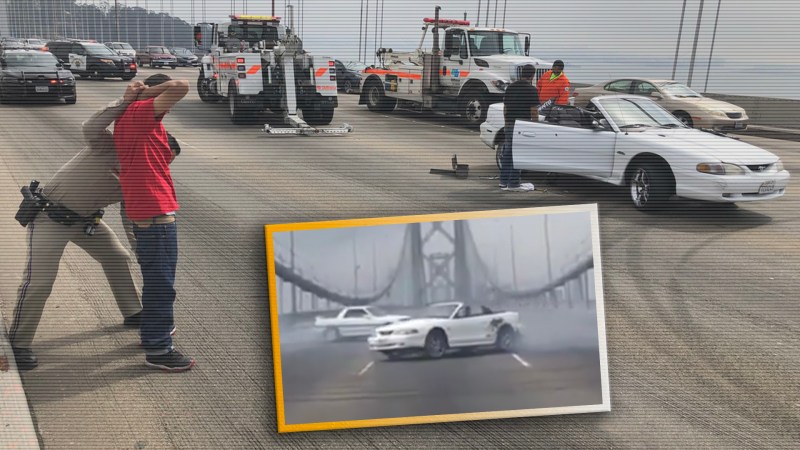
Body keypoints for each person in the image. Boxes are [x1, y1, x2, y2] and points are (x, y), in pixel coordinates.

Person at [9, 82, 166, 371]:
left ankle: (133, 313)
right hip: (49, 218)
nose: (163, 158)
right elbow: (91, 125)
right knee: (40, 281)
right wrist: (125, 100)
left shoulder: (143, 173)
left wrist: (143, 250)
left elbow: (131, 217)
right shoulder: (109, 144)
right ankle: (18, 343)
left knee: (118, 256)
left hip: (86, 221)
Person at [113, 74, 195, 372]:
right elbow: (181, 85)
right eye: (164, 104)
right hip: (154, 215)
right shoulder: (138, 115)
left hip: (149, 212)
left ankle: (155, 331)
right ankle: (158, 348)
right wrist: (144, 93)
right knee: (161, 284)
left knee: (156, 281)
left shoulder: (139, 121)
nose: (169, 108)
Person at [500, 64, 539, 192]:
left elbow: (505, 108)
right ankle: (514, 183)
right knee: (518, 154)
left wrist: (506, 123)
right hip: (522, 125)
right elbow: (533, 111)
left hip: (510, 123)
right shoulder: (532, 90)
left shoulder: (510, 87)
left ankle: (503, 181)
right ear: (532, 76)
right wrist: (535, 126)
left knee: (507, 153)